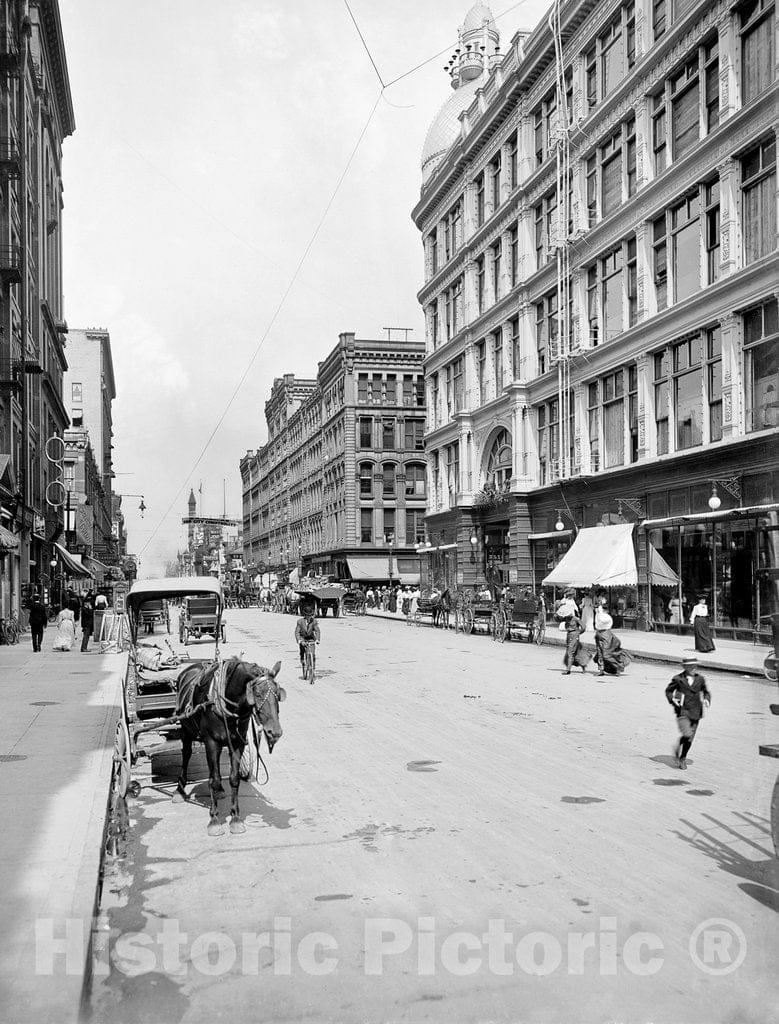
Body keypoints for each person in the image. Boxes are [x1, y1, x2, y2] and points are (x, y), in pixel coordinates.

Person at [665, 656, 711, 769]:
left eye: (695, 666)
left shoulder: (700, 679)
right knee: (687, 733)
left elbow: (706, 692)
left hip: (696, 711)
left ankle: (683, 757)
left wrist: (706, 699)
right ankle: (679, 747)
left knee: (690, 738)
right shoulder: (678, 679)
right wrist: (673, 699)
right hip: (683, 711)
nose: (693, 668)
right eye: (690, 666)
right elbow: (669, 691)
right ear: (685, 667)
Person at [593, 611, 630, 676]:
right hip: (599, 634)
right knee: (599, 654)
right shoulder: (600, 617)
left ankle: (618, 666)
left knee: (606, 654)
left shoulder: (605, 620)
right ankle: (601, 670)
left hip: (604, 635)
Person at [294, 606, 320, 681]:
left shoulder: (314, 621)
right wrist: (299, 640)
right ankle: (303, 663)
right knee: (302, 652)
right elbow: (297, 632)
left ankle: (313, 669)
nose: (309, 617)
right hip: (303, 638)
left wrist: (317, 639)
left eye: (310, 615)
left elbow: (317, 631)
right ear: (305, 615)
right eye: (307, 615)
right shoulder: (300, 622)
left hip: (311, 639)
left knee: (313, 654)